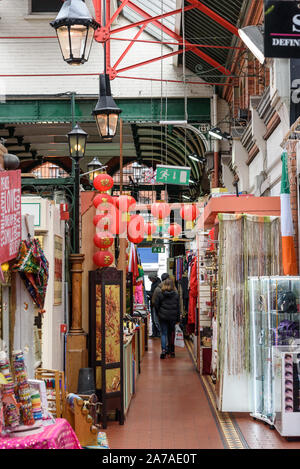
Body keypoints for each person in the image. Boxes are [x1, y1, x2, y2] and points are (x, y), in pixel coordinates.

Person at [154, 277, 181, 359]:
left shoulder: (160, 293)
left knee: (163, 333)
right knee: (171, 333)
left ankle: (163, 351)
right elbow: (178, 307)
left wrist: (159, 313)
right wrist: (178, 318)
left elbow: (156, 305)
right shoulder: (176, 294)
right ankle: (172, 351)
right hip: (172, 317)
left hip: (163, 316)